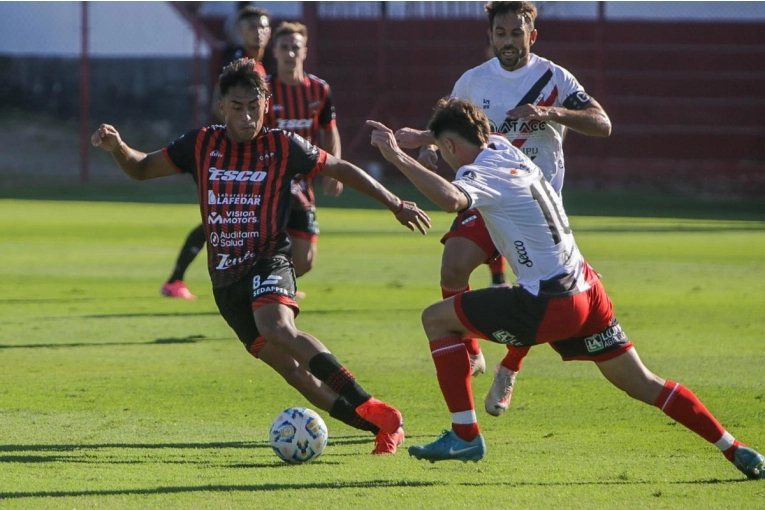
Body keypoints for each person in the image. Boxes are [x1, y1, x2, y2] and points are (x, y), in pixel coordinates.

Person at [366, 97, 765, 478]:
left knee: (436, 320)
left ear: (451, 145)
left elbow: (453, 199)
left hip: (551, 301)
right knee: (645, 383)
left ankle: (465, 435)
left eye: (445, 150)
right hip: (589, 292)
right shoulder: (503, 148)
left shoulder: (479, 174)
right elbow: (469, 148)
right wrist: (424, 137)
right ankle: (733, 447)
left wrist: (397, 156)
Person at [93, 58, 432, 454]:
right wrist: (117, 147)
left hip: (269, 259)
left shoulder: (282, 146)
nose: (247, 115)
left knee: (278, 328)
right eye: (237, 106)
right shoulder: (200, 144)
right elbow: (141, 168)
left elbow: (340, 167)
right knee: (291, 370)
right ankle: (378, 427)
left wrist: (395, 202)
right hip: (225, 281)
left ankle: (373, 406)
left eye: (254, 105)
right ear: (222, 107)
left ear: (266, 103)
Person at [394, 0, 612, 418]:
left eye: (517, 33)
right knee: (453, 267)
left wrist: (550, 112)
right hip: (485, 193)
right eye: (501, 33)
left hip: (533, 206)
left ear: (532, 35)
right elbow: (451, 130)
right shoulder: (474, 81)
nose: (508, 41)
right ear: (490, 36)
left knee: (534, 292)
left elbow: (602, 123)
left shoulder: (554, 77)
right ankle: (472, 351)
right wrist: (426, 144)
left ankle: (510, 367)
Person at [161, 5, 273, 300]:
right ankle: (176, 280)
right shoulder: (241, 63)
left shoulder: (261, 65)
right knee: (221, 218)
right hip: (228, 153)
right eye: (250, 27)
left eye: (262, 27)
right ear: (238, 31)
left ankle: (268, 277)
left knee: (237, 216)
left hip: (244, 153)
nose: (257, 32)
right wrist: (240, 139)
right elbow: (217, 103)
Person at [265, 21, 344, 281]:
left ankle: (276, 283)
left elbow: (329, 130)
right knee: (265, 245)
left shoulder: (319, 90)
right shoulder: (263, 90)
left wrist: (335, 170)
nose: (290, 53)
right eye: (284, 47)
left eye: (295, 47)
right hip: (269, 181)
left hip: (303, 182)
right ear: (274, 51)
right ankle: (267, 291)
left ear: (305, 51)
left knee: (306, 260)